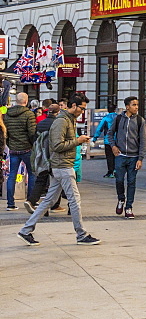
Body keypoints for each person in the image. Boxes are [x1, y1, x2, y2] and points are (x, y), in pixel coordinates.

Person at [17, 92, 100, 246]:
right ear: (73, 106)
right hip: (62, 166)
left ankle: (25, 230)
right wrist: (78, 141)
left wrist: (77, 141)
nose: (82, 111)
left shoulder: (69, 119)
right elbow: (56, 146)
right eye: (81, 108)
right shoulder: (61, 121)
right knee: (75, 201)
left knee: (49, 200)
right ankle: (81, 234)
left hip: (62, 165)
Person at [25, 102, 66, 214]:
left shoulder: (41, 123)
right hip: (53, 156)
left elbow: (34, 138)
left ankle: (31, 200)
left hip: (41, 156)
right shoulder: (57, 123)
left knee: (41, 180)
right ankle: (54, 205)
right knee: (57, 180)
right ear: (58, 112)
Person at [109, 96, 146, 219]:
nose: (136, 107)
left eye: (137, 105)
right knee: (119, 180)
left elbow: (143, 141)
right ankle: (121, 199)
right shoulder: (118, 119)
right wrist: (113, 146)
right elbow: (110, 133)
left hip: (134, 157)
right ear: (127, 107)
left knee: (131, 182)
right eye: (134, 105)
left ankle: (129, 207)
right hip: (120, 156)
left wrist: (140, 158)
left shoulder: (140, 121)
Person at [5, 93, 36, 210]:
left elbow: (6, 133)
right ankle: (30, 201)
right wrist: (32, 145)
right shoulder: (29, 114)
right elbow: (32, 133)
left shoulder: (7, 114)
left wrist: (10, 144)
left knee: (12, 175)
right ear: (26, 101)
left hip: (13, 149)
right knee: (32, 173)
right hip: (27, 148)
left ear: (16, 100)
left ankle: (10, 204)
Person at [93, 105, 122, 179]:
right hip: (118, 140)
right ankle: (116, 170)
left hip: (108, 140)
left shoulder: (105, 118)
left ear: (108, 110)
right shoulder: (119, 117)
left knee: (109, 157)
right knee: (117, 155)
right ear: (115, 110)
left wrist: (95, 138)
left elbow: (100, 128)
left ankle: (110, 172)